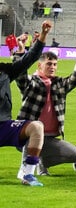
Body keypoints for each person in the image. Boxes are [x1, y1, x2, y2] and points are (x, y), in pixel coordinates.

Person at [16, 35, 76, 176]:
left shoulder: (59, 84)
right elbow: (20, 75)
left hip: (50, 138)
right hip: (29, 137)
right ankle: (32, 168)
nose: (52, 67)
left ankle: (41, 162)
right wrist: (20, 51)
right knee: (26, 172)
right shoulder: (31, 83)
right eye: (49, 64)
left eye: (55, 64)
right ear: (40, 65)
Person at [2, 20, 52, 186]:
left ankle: (28, 174)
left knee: (36, 127)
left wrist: (43, 36)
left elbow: (28, 60)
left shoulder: (4, 71)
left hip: (3, 125)